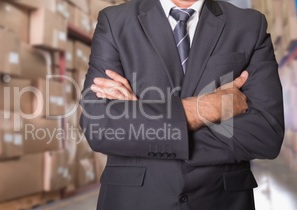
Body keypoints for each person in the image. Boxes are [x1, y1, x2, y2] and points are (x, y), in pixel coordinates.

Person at [79, 0, 285, 209]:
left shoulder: (248, 24)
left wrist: (143, 118)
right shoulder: (116, 21)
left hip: (221, 201)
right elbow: (100, 127)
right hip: (134, 200)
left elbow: (266, 134)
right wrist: (209, 107)